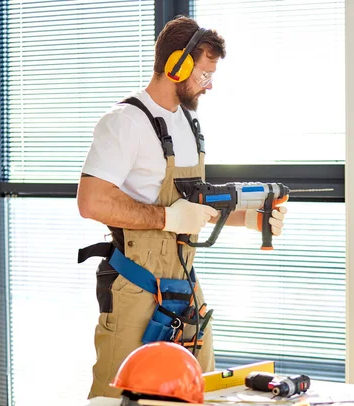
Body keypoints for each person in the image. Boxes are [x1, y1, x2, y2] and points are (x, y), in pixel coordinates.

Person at [77, 16, 287, 399]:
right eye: (204, 75)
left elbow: (193, 206)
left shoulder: (190, 125)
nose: (209, 85)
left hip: (186, 283)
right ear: (177, 65)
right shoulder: (124, 122)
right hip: (136, 286)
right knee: (117, 395)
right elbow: (91, 201)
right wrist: (166, 218)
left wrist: (249, 219)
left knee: (197, 391)